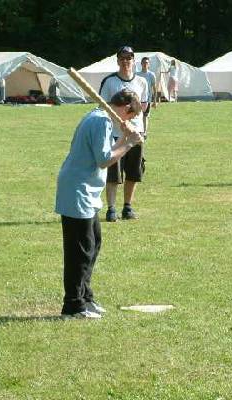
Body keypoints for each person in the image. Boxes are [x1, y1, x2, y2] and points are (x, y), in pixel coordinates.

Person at [55, 89, 144, 319]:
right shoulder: (101, 121)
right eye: (131, 116)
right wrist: (129, 143)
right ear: (126, 108)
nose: (129, 120)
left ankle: (85, 297)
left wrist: (124, 138)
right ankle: (73, 306)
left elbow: (106, 151)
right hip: (78, 190)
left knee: (93, 244)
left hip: (86, 192)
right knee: (80, 251)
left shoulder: (100, 117)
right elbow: (104, 160)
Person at [99, 46, 148, 222]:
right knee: (113, 173)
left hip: (136, 133)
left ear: (134, 61)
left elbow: (144, 108)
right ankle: (111, 209)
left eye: (129, 58)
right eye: (122, 58)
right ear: (118, 60)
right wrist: (119, 120)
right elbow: (102, 107)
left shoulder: (142, 82)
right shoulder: (109, 81)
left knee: (134, 172)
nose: (126, 61)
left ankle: (127, 207)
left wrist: (143, 130)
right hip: (114, 132)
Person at [136, 56, 157, 134]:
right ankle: (139, 131)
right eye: (144, 62)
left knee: (145, 116)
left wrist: (154, 101)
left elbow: (154, 88)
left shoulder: (151, 75)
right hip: (138, 99)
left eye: (147, 63)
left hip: (147, 99)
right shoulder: (137, 74)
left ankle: (144, 132)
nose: (145, 64)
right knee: (138, 115)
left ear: (149, 64)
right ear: (141, 64)